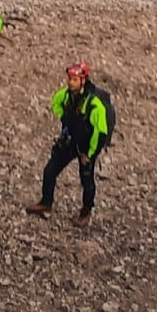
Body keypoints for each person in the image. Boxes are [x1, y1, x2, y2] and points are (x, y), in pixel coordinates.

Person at [26, 61, 110, 225]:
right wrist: (63, 117)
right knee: (50, 170)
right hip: (70, 141)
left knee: (86, 181)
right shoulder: (65, 95)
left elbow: (101, 133)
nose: (71, 82)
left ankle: (86, 212)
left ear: (83, 81)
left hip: (86, 148)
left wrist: (90, 154)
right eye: (70, 79)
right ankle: (46, 203)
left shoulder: (94, 105)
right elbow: (55, 102)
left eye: (75, 79)